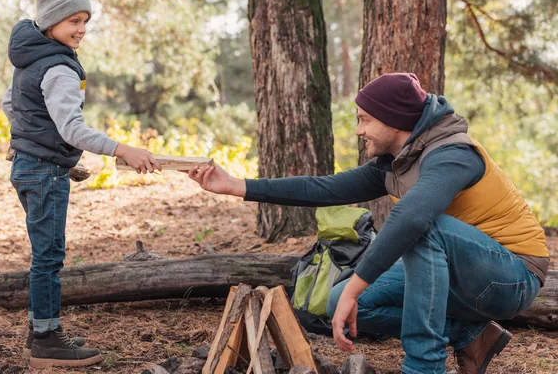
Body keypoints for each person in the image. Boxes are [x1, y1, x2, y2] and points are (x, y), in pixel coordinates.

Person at [186, 73, 549, 374]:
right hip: (457, 275)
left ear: (394, 120)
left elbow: (413, 218)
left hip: (512, 276)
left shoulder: (453, 154)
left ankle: (424, 366)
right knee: (336, 305)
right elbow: (323, 188)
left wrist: (354, 286)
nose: (359, 130)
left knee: (418, 226)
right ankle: (469, 336)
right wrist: (236, 186)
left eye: (364, 120)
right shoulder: (396, 163)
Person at [2, 0, 161, 368]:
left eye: (85, 21)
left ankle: (39, 330)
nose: (81, 29)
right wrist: (124, 149)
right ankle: (45, 339)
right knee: (49, 256)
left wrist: (40, 150)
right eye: (74, 20)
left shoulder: (30, 59)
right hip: (43, 172)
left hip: (30, 167)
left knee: (45, 253)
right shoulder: (58, 67)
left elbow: (12, 105)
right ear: (52, 21)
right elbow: (72, 129)